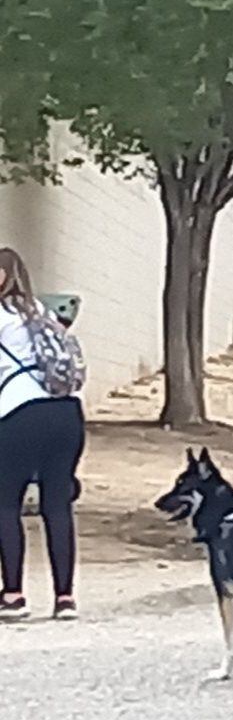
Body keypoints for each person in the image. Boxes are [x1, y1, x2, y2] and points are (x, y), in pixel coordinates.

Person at [0, 248, 86, 622]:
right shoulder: (45, 314)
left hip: (20, 413)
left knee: (4, 503)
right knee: (57, 503)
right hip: (67, 412)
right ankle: (65, 597)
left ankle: (14, 595)